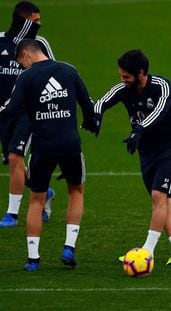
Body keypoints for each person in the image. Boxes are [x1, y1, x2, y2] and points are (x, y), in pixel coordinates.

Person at [0, 39, 99, 271]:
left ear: (26, 54)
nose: (22, 67)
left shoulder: (26, 77)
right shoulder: (69, 70)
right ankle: (69, 248)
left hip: (42, 147)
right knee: (76, 191)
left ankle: (33, 260)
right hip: (70, 144)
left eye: (21, 63)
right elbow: (87, 105)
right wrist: (90, 122)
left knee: (36, 199)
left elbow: (12, 109)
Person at [94, 49, 171, 266]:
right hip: (147, 153)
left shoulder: (162, 86)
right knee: (163, 202)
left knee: (159, 196)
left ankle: (147, 252)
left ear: (140, 73)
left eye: (126, 76)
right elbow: (102, 101)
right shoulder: (124, 88)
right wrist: (96, 116)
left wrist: (138, 130)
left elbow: (160, 111)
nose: (122, 80)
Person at [0, 1, 56, 228]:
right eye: (35, 21)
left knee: (15, 155)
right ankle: (43, 191)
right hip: (4, 111)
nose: (39, 26)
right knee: (13, 162)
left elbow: (53, 70)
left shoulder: (39, 44)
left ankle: (12, 214)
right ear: (23, 21)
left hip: (28, 111)